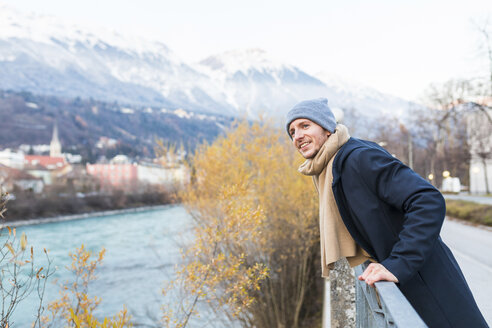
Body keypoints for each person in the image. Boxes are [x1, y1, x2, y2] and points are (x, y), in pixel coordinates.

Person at [286, 98, 488, 328]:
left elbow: (427, 200)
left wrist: (397, 264)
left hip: (428, 283)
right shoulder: (333, 166)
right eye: (292, 132)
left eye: (305, 126)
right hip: (412, 285)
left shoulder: (357, 158)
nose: (297, 136)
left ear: (326, 127)